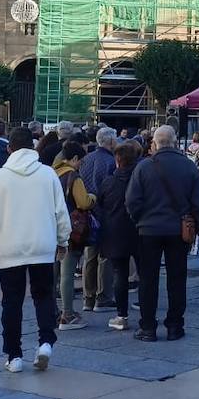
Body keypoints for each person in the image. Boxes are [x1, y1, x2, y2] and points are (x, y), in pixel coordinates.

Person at [0, 127, 68, 373]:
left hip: (10, 245)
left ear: (9, 148)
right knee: (43, 296)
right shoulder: (48, 174)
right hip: (42, 243)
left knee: (11, 301)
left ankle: (14, 354)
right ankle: (45, 342)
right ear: (33, 147)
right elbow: (60, 211)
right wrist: (62, 239)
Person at [126, 125, 199, 342]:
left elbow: (132, 201)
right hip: (178, 230)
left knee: (148, 279)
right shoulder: (189, 167)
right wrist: (194, 225)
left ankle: (148, 327)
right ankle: (175, 326)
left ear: (155, 143)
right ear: (175, 142)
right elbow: (198, 201)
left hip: (149, 230)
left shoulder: (144, 167)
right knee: (177, 279)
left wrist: (140, 220)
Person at [95, 142, 141, 331]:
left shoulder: (109, 182)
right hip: (140, 231)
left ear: (118, 160)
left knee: (119, 274)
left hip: (115, 232)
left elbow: (99, 205)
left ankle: (122, 315)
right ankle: (146, 311)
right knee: (145, 272)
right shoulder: (141, 180)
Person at [52, 140, 91, 329]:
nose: (81, 164)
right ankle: (67, 313)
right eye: (81, 161)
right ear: (75, 158)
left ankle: (52, 310)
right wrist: (93, 198)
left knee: (54, 271)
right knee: (67, 272)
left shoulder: (52, 172)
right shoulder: (72, 176)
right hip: (70, 229)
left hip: (51, 227)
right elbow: (83, 202)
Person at [80, 128, 119, 312]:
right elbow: (110, 188)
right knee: (105, 257)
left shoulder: (86, 158)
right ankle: (103, 297)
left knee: (90, 256)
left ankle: (88, 297)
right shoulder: (111, 161)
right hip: (104, 212)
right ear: (110, 142)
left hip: (87, 212)